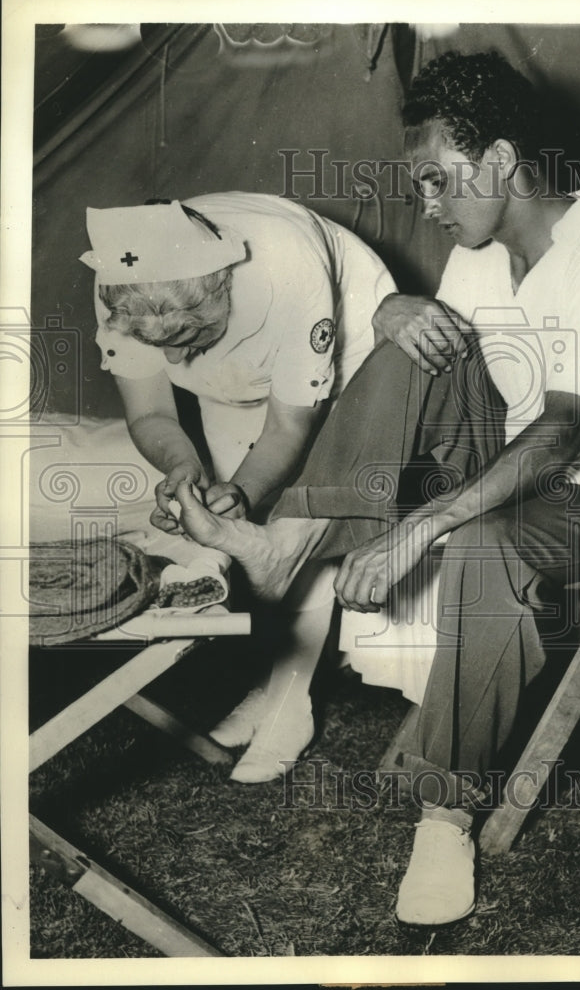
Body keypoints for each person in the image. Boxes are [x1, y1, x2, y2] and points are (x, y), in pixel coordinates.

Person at [167, 52, 580, 924]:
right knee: (412, 333)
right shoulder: (481, 259)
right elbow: (438, 389)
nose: (429, 206)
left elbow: (560, 435)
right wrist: (388, 313)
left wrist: (417, 530)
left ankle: (444, 820)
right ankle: (291, 535)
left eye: (439, 181)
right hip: (502, 472)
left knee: (481, 545)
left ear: (501, 161)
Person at [80, 192, 402, 782]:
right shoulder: (123, 274)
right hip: (238, 364)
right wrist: (183, 468)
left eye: (188, 335)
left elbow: (289, 426)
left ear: (225, 283)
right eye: (159, 345)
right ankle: (272, 684)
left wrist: (247, 489)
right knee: (244, 537)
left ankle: (290, 705)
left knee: (298, 523)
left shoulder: (288, 270)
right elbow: (152, 414)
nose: (175, 358)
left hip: (353, 344)